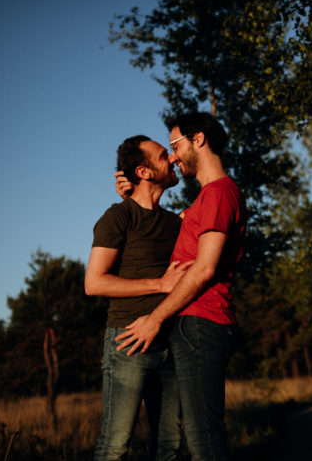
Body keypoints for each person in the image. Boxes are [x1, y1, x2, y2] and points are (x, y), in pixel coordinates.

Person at [115, 112, 247, 461]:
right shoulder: (205, 200)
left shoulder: (218, 194)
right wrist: (132, 195)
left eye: (175, 145)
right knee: (199, 437)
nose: (173, 155)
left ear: (198, 140)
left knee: (204, 441)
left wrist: (155, 319)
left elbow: (204, 269)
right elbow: (158, 231)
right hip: (195, 326)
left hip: (202, 324)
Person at [85, 135, 188, 461]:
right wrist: (160, 285)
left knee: (170, 448)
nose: (171, 159)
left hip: (171, 343)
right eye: (162, 155)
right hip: (128, 341)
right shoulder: (118, 217)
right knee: (114, 447)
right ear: (143, 172)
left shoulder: (175, 222)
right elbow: (94, 283)